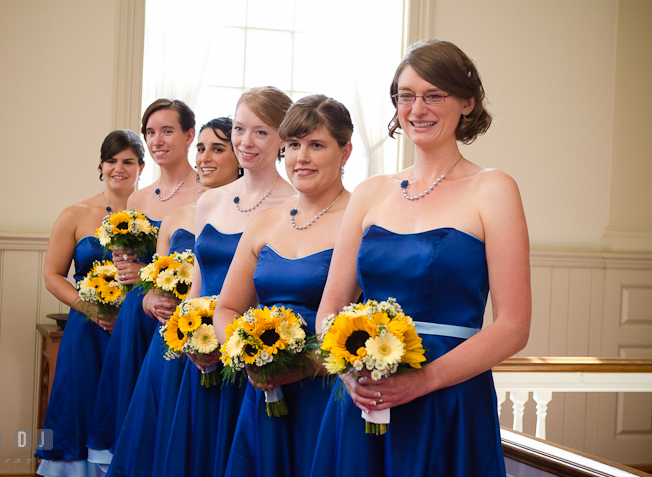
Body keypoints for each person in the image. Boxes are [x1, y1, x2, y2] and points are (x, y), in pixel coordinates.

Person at [310, 39, 531, 477]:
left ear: (467, 103)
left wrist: (423, 380)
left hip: (447, 399)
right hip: (363, 396)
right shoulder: (371, 191)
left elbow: (513, 327)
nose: (417, 109)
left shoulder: (494, 189)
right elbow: (330, 309)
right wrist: (348, 371)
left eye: (434, 95)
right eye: (406, 96)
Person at [161, 86, 297, 477]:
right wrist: (187, 335)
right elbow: (198, 286)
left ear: (283, 139)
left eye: (260, 132)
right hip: (202, 354)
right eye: (239, 129)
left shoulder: (291, 205)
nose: (245, 141)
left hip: (255, 356)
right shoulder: (210, 201)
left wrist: (241, 346)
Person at [214, 94, 353, 477]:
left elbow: (368, 326)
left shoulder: (361, 221)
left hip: (328, 395)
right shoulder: (264, 222)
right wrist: (249, 355)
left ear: (345, 152)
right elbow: (226, 309)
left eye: (316, 145)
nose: (301, 157)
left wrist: (305, 366)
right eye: (293, 145)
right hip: (264, 390)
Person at [105, 118, 242, 477]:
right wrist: (152, 299)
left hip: (222, 334)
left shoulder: (255, 216)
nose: (205, 158)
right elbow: (151, 280)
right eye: (201, 148)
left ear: (240, 156)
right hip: (172, 339)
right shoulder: (177, 217)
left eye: (218, 148)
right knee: (160, 432)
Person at [86, 99, 204, 470]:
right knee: (132, 398)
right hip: (137, 311)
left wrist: (151, 275)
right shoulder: (137, 197)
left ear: (189, 136)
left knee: (166, 405)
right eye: (150, 132)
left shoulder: (209, 193)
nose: (157, 140)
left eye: (167, 131)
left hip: (181, 311)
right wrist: (126, 267)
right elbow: (131, 257)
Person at [35, 130, 145, 477]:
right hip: (87, 330)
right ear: (100, 164)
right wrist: (91, 308)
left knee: (127, 407)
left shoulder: (153, 213)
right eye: (112, 160)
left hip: (135, 328)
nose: (119, 168)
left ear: (142, 166)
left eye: (128, 161)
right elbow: (53, 275)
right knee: (78, 405)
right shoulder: (75, 213)